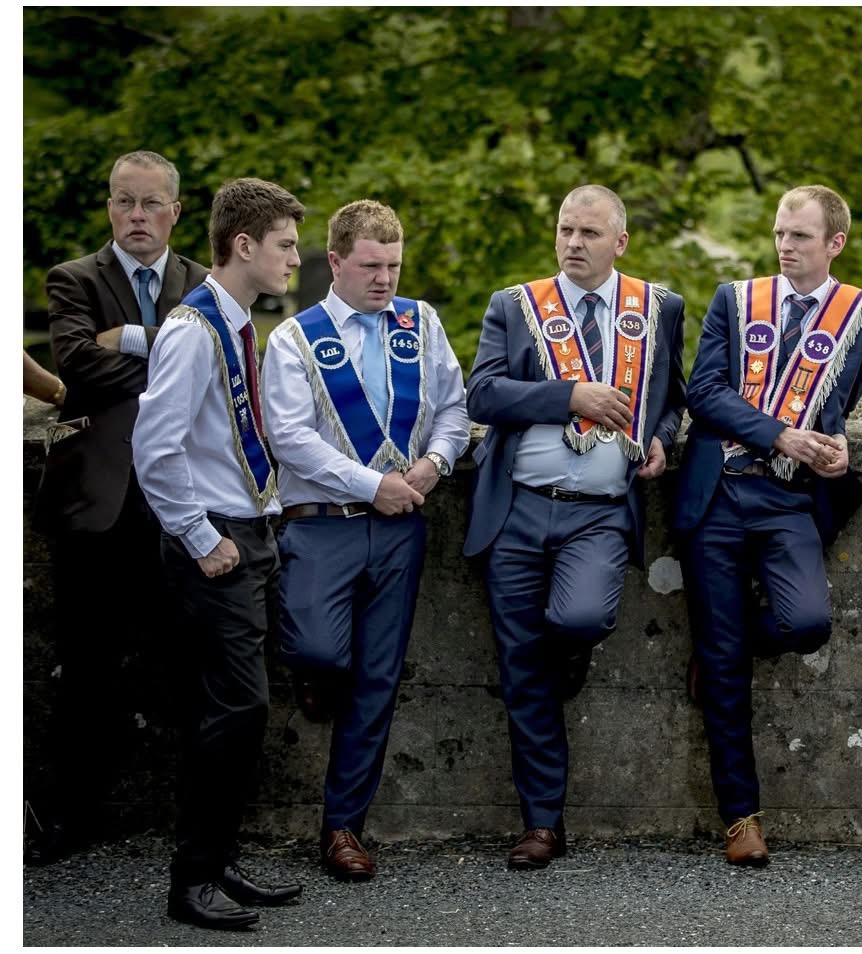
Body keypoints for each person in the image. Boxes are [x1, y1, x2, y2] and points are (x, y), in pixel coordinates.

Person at [463, 185, 686, 870]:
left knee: (581, 618)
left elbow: (672, 397)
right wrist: (568, 396)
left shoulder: (659, 308)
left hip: (599, 513)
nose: (573, 243)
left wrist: (661, 436)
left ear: (620, 241)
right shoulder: (515, 305)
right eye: (565, 230)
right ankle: (542, 823)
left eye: (589, 233)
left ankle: (571, 648)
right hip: (519, 508)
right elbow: (482, 394)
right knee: (521, 670)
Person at [674, 184, 862, 866]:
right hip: (718, 492)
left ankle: (725, 649)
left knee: (806, 624)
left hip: (790, 500)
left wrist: (836, 443)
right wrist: (778, 434)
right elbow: (704, 394)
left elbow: (838, 400)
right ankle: (741, 820)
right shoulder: (735, 300)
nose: (785, 245)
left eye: (800, 235)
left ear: (835, 243)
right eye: (779, 233)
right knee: (725, 670)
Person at [261, 200, 469, 881]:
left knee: (378, 679)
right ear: (336, 261)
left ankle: (343, 827)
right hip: (323, 522)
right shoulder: (294, 339)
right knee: (320, 648)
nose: (384, 279)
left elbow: (455, 408)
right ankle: (317, 674)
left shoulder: (421, 322)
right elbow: (289, 437)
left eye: (394, 266)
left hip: (400, 526)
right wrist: (370, 483)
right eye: (372, 266)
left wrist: (435, 462)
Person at [132, 177, 306, 930]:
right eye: (285, 245)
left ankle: (219, 862)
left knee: (235, 711)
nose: (294, 258)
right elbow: (156, 448)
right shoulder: (192, 330)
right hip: (216, 542)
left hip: (249, 533)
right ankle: (192, 880)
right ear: (243, 245)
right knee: (235, 708)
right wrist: (204, 540)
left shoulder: (234, 323)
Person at [31, 150, 210, 862]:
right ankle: (72, 820)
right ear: (110, 207)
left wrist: (133, 339)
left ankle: (200, 827)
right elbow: (76, 364)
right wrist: (175, 358)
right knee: (86, 670)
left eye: (150, 203)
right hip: (98, 504)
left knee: (192, 667)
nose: (136, 216)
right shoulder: (73, 278)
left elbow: (221, 367)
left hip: (185, 504)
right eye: (123, 201)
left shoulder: (204, 283)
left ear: (175, 211)